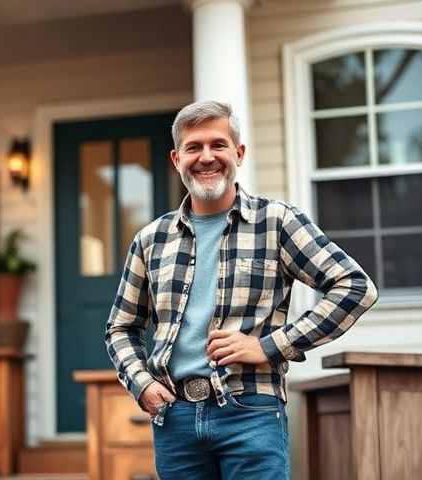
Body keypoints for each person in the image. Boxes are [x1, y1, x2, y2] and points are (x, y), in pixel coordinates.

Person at [104, 100, 378, 479]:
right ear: (176, 158)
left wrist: (268, 346)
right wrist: (142, 383)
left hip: (251, 412)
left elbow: (355, 287)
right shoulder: (151, 239)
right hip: (175, 419)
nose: (206, 157)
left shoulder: (277, 222)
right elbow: (121, 327)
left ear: (239, 152)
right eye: (193, 147)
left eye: (218, 144)